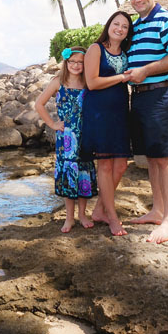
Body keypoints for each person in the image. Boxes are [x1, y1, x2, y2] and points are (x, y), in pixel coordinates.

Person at [125, 0, 168, 244]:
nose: (137, 0)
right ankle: (157, 209)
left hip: (161, 93)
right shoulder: (136, 25)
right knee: (151, 157)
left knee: (164, 156)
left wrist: (145, 71)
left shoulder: (167, 19)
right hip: (139, 97)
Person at [80, 11, 134, 237]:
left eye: (124, 26)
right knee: (105, 165)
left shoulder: (126, 52)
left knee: (121, 166)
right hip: (99, 112)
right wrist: (122, 77)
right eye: (116, 24)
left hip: (120, 112)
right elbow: (91, 83)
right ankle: (112, 217)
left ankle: (100, 209)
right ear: (108, 25)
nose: (120, 28)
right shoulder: (96, 49)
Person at [34, 46, 98, 233]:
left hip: (85, 134)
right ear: (66, 63)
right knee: (69, 175)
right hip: (67, 138)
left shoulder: (88, 83)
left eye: (80, 62)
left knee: (84, 174)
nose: (76, 65)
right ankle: (69, 218)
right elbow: (39, 104)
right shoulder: (58, 82)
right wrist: (53, 124)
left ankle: (83, 214)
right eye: (73, 61)